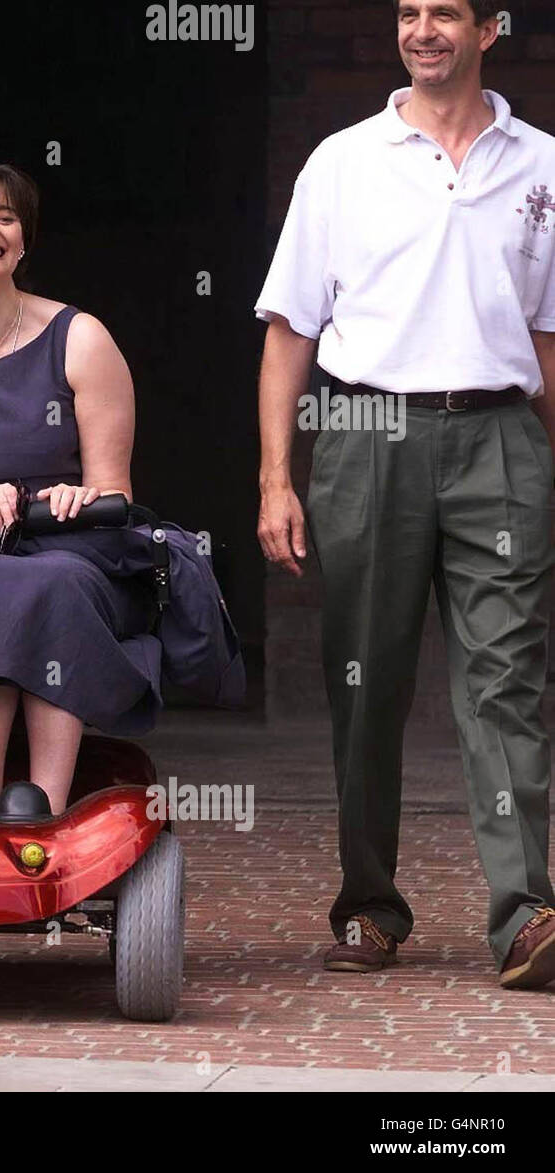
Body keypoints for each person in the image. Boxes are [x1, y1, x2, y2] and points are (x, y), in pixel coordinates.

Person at [256, 0, 555, 987]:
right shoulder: (341, 161)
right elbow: (291, 327)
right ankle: (369, 906)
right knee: (363, 680)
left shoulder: (541, 165)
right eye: (408, 12)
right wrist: (274, 478)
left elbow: (548, 341)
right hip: (364, 430)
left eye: (445, 13)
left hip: (500, 435)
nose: (422, 30)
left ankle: (522, 916)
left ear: (490, 29)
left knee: (506, 680)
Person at [0, 146, 243, 817]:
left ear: (23, 241)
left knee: (46, 579)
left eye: (6, 218)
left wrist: (81, 500)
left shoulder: (81, 337)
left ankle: (42, 809)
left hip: (75, 549)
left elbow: (114, 492)